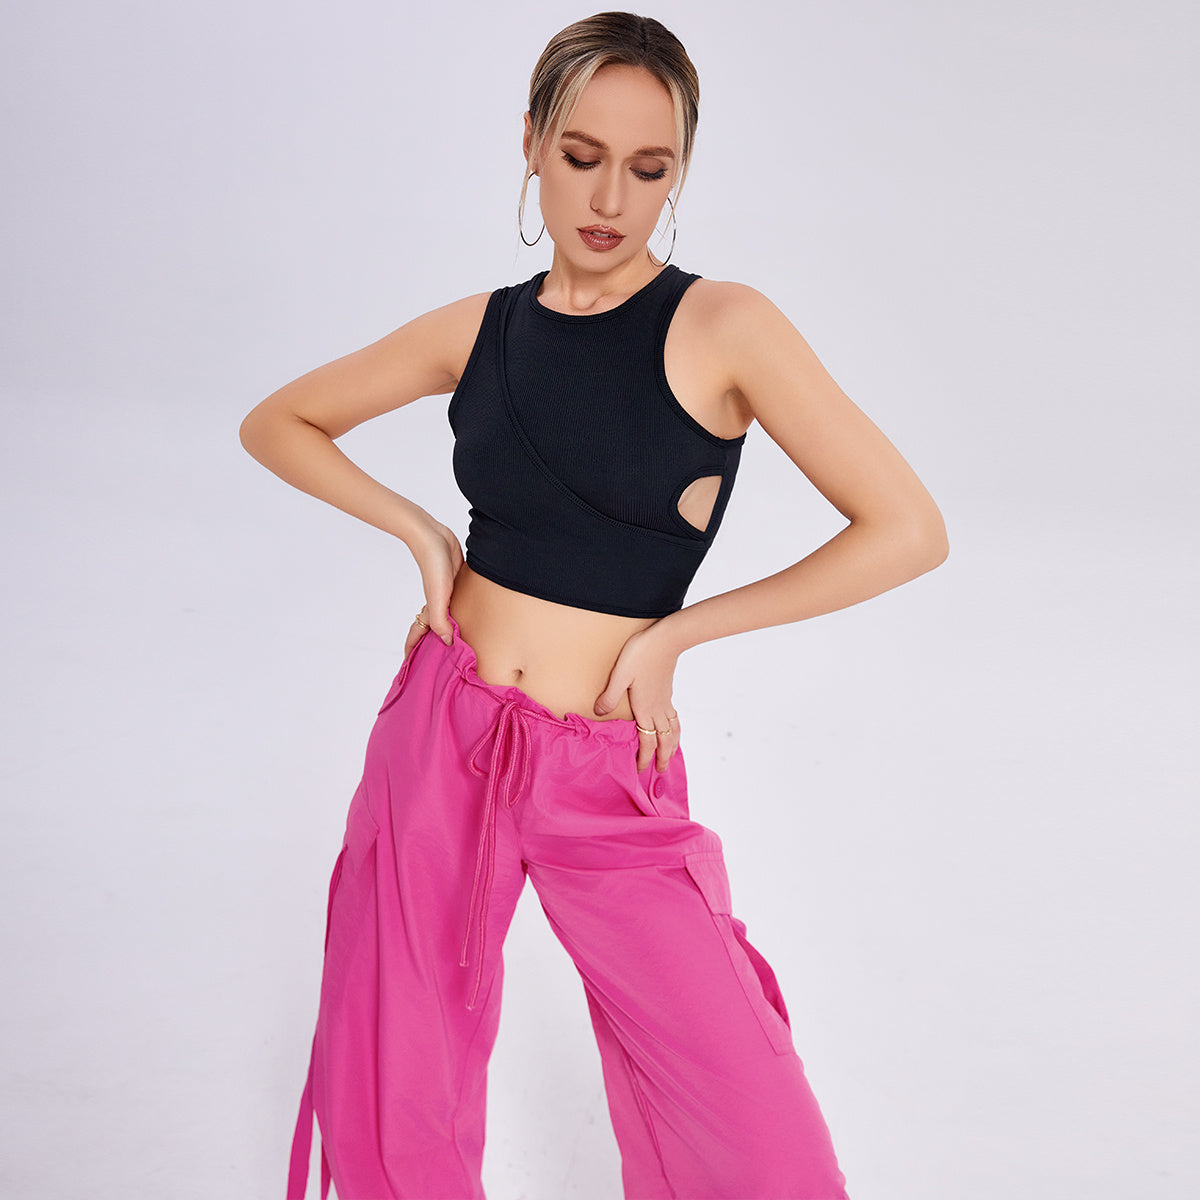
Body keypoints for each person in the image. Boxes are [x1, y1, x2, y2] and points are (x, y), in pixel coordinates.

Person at [241, 12, 947, 1200]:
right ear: (529, 144)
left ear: (681, 170)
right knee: (394, 1076)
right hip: (442, 729)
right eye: (580, 156)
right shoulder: (482, 329)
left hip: (607, 764)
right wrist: (420, 533)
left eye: (649, 166)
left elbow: (907, 530)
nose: (611, 195)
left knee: (740, 1099)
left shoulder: (727, 326)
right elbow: (278, 421)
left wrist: (680, 633)